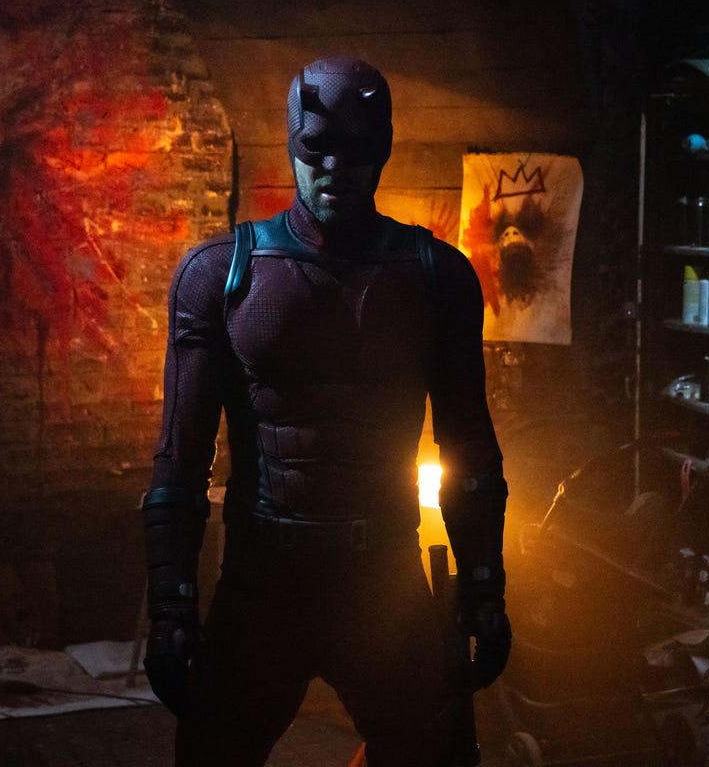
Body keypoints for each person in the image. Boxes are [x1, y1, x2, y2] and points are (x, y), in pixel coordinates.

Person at [140, 55, 510, 766]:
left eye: (357, 148)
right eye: (318, 147)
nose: (336, 166)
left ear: (383, 150)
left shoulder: (435, 278)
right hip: (264, 583)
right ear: (293, 144)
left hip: (383, 583)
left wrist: (484, 587)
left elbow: (469, 446)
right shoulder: (221, 274)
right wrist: (170, 604)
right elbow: (180, 458)